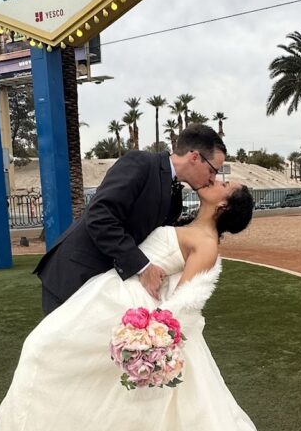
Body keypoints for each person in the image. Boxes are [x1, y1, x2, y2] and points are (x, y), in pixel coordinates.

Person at [0, 180, 301, 431]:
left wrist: (146, 341)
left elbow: (184, 305)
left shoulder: (206, 243)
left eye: (224, 184)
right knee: (51, 363)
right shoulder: (187, 224)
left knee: (83, 388)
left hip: (130, 317)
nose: (216, 180)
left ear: (224, 205)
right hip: (106, 301)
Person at [34, 123, 226, 314]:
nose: (212, 179)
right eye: (213, 170)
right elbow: (100, 217)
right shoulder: (140, 163)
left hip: (107, 289)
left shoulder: (175, 199)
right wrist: (143, 267)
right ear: (194, 157)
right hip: (74, 275)